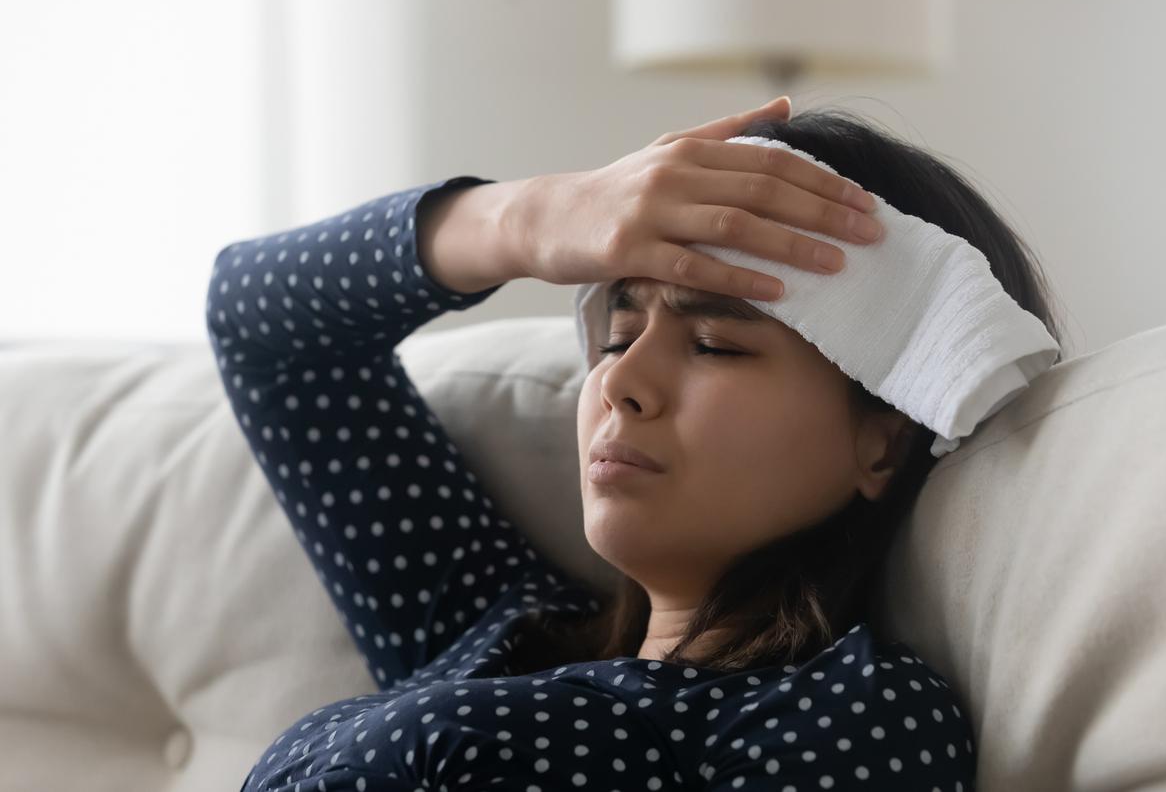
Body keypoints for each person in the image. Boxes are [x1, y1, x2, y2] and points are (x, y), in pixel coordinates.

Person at [207, 96, 1052, 789]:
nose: (620, 382)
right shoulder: (491, 629)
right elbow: (260, 327)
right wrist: (529, 219)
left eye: (714, 344)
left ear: (883, 443)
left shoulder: (856, 716)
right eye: (617, 335)